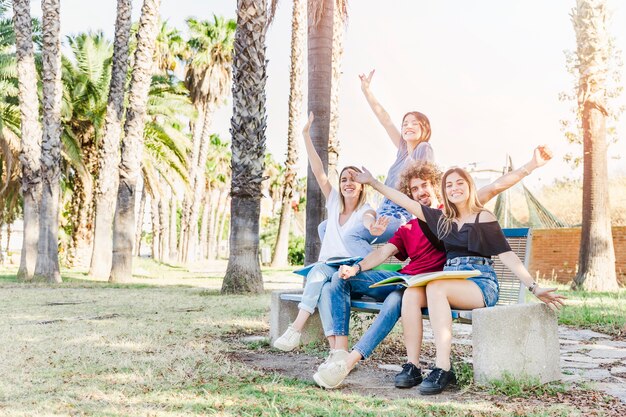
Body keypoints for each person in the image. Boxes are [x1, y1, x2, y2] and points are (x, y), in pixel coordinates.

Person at [313, 146, 563, 392]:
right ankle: (412, 365)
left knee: (434, 286)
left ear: (467, 187)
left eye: (459, 184)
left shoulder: (482, 216)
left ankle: (443, 367)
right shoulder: (441, 220)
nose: (454, 188)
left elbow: (507, 252)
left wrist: (534, 286)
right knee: (411, 293)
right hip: (447, 279)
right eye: (450, 185)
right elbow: (403, 203)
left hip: (480, 282)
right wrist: (374, 183)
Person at [273, 112, 390, 352]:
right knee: (324, 288)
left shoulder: (365, 209)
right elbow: (318, 171)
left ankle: (295, 329)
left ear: (361, 187)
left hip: (350, 266)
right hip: (330, 264)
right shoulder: (334, 201)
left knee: (318, 274)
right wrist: (305, 135)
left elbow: (369, 220)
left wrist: (373, 227)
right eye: (344, 178)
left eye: (354, 179)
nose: (348, 182)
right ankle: (336, 351)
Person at [341, 70, 435, 257]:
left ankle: (372, 273)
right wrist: (366, 90)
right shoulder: (402, 151)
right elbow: (385, 120)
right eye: (405, 123)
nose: (408, 126)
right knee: (332, 229)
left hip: (401, 216)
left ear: (425, 128)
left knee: (352, 236)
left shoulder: (423, 148)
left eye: (414, 123)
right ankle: (361, 270)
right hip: (383, 211)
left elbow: (423, 188)